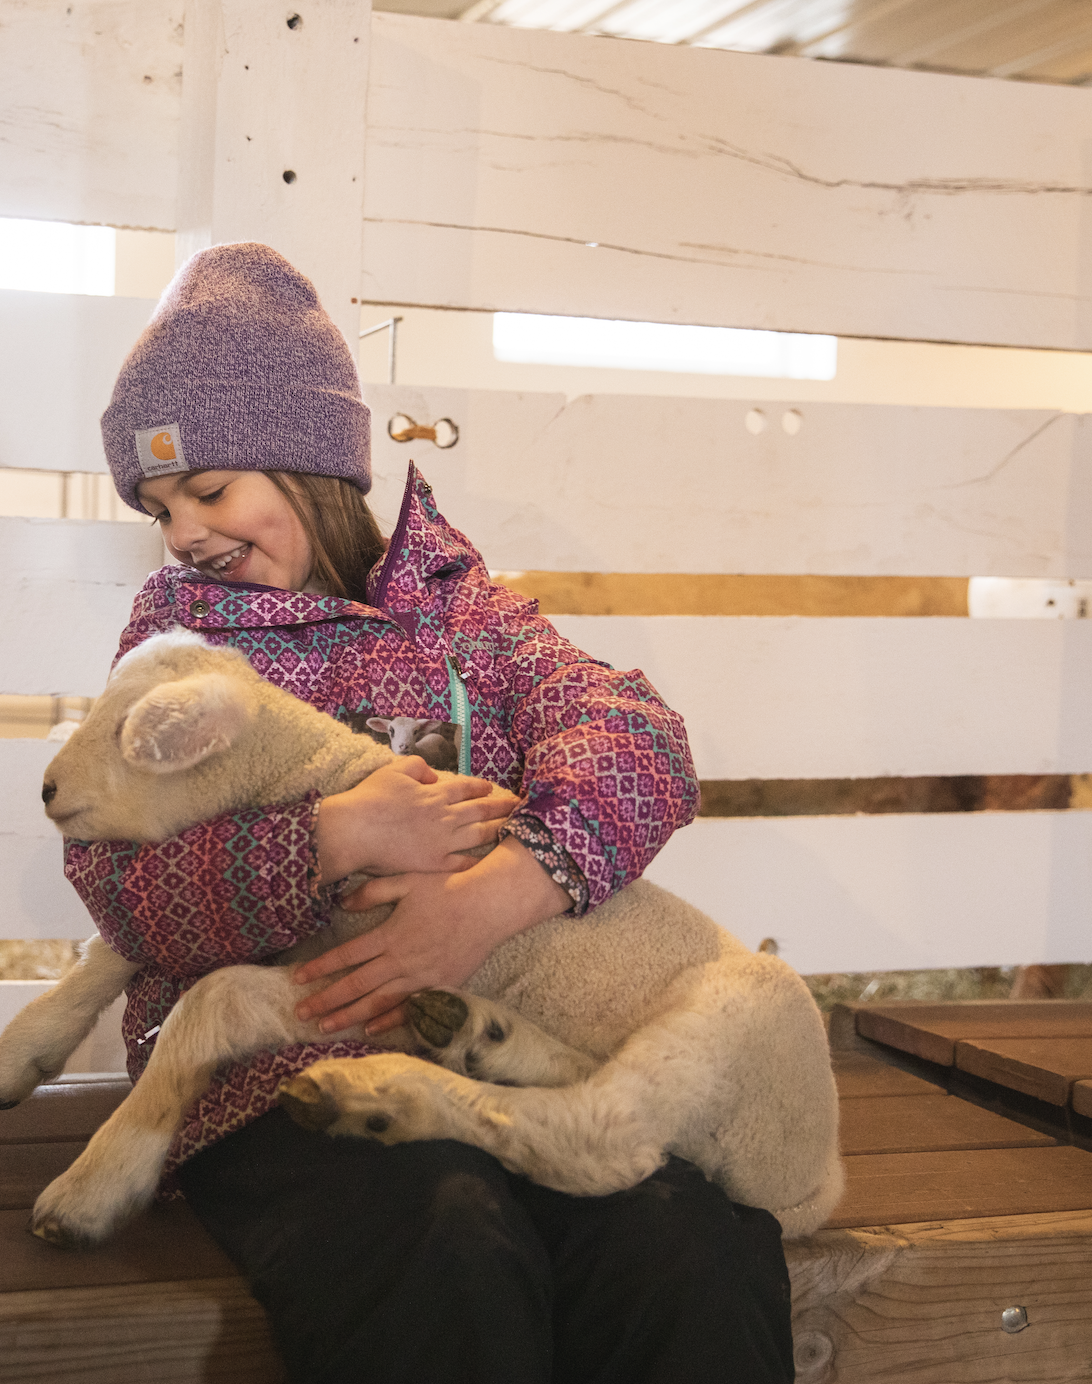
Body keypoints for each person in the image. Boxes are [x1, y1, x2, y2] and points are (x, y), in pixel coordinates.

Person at [67, 241, 794, 1383]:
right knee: (445, 1231)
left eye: (208, 490)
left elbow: (638, 741)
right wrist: (331, 838)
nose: (184, 531)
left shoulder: (465, 614)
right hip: (277, 1073)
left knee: (683, 1239)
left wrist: (499, 894)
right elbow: (120, 884)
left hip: (505, 1052)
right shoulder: (178, 644)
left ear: (311, 464)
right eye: (159, 507)